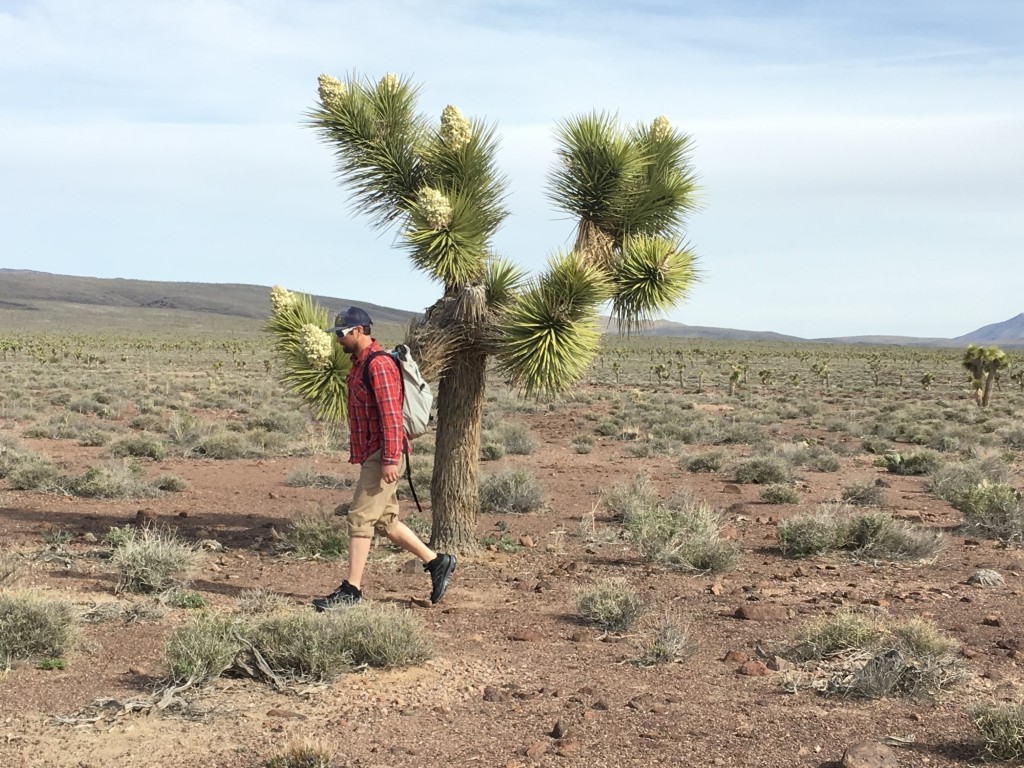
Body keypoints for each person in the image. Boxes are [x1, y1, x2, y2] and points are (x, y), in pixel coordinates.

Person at [312, 306, 456, 610]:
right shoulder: (359, 364)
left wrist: (391, 458)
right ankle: (437, 561)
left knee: (360, 518)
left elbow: (391, 416)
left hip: (382, 453)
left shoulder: (377, 365)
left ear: (360, 331)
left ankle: (351, 591)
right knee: (387, 523)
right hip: (373, 452)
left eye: (342, 333)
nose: (338, 340)